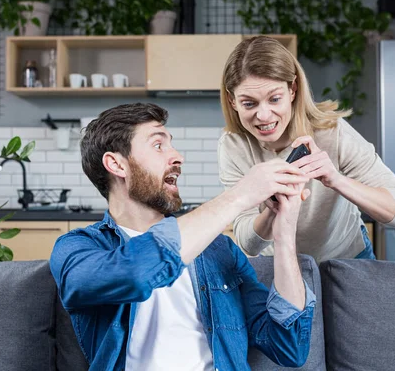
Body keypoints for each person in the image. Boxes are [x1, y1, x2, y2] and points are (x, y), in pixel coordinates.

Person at [50, 102, 316, 370]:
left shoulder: (218, 250)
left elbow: (289, 347)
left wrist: (283, 231)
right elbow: (135, 274)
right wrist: (239, 196)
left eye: (171, 144)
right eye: (158, 145)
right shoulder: (78, 249)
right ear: (117, 164)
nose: (177, 156)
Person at [218, 36, 395, 263]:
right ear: (232, 100)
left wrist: (335, 179)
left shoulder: (332, 132)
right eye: (249, 103)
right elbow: (250, 245)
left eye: (275, 99)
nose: (264, 115)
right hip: (280, 265)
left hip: (346, 260)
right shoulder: (233, 147)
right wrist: (273, 209)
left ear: (293, 90)